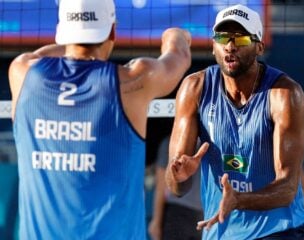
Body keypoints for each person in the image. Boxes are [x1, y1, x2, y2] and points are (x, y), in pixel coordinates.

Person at [8, 0, 191, 239]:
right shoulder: (133, 81)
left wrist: (73, 41)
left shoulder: (22, 73)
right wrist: (176, 35)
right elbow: (180, 57)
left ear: (62, 31)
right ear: (113, 30)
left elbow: (38, 56)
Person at [165, 4, 304, 240]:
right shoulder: (194, 88)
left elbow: (287, 188)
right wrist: (178, 176)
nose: (230, 46)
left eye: (241, 38)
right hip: (221, 231)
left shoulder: (284, 93)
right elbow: (176, 188)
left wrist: (238, 200)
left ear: (259, 46)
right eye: (222, 37)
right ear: (213, 46)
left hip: (279, 231)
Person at [148, 135, 203, 240]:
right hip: (184, 213)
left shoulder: (170, 142)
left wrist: (156, 220)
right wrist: (156, 221)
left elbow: (160, 186)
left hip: (187, 215)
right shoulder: (212, 143)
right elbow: (161, 185)